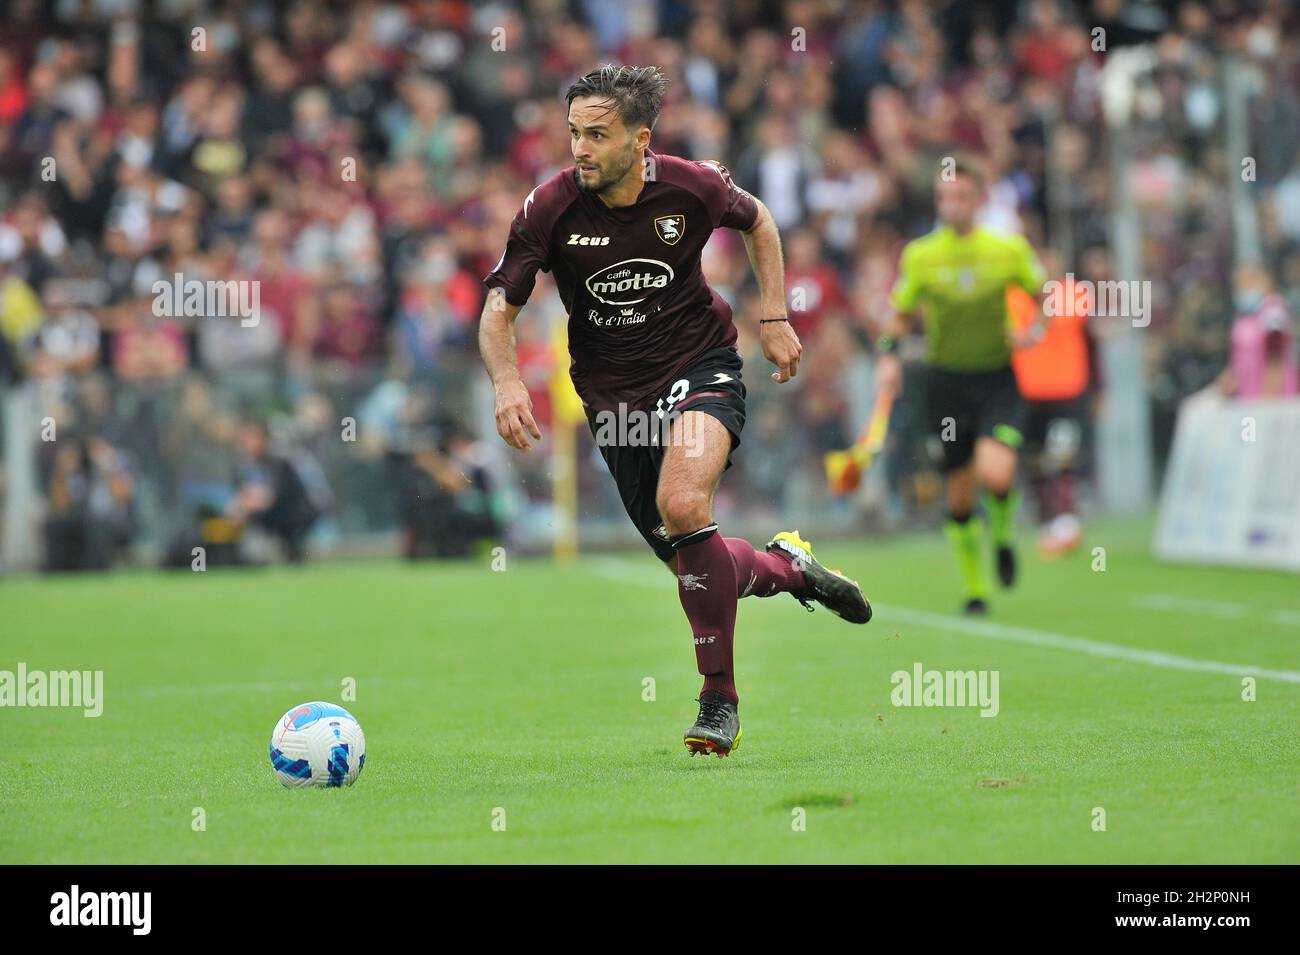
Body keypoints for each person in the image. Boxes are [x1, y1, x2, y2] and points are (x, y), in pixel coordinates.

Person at [478, 65, 872, 758]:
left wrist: (773, 314)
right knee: (699, 567)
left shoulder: (692, 185)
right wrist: (508, 382)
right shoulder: (549, 207)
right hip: (614, 400)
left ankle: (718, 698)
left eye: (597, 134)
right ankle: (789, 568)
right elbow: (496, 310)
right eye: (573, 133)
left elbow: (760, 222)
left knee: (685, 504)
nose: (580, 148)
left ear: (640, 138)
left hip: (701, 364)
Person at [875, 157, 1046, 615]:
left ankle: (1005, 537)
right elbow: (899, 313)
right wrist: (889, 356)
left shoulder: (1007, 249)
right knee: (960, 493)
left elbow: (1042, 292)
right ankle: (976, 589)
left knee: (998, 473)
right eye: (944, 197)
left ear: (979, 199)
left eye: (961, 196)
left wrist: (1033, 329)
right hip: (944, 384)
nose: (951, 205)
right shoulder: (922, 255)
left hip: (997, 379)